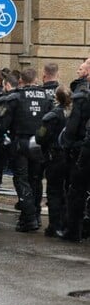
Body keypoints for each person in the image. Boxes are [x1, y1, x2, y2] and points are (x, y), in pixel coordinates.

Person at [0, 67, 52, 232]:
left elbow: (4, 123)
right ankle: (36, 215)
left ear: (20, 81)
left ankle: (28, 218)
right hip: (39, 144)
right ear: (36, 80)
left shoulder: (15, 98)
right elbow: (48, 123)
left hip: (20, 142)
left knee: (21, 179)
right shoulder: (47, 97)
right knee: (36, 179)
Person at [60, 56, 90, 242]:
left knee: (76, 191)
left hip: (83, 149)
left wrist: (67, 146)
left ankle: (74, 231)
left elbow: (71, 128)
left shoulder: (82, 98)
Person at [36, 86, 71, 238]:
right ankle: (65, 224)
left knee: (54, 191)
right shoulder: (74, 114)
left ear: (56, 98)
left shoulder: (51, 116)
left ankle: (54, 225)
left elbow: (41, 137)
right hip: (70, 157)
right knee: (67, 191)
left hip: (55, 156)